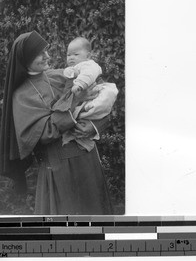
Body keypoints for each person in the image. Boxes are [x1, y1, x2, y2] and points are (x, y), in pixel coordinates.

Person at [0, 30, 113, 215]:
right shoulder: (21, 96)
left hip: (89, 161)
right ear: (26, 58)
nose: (48, 56)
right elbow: (43, 134)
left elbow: (101, 100)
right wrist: (75, 101)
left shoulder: (61, 75)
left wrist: (94, 127)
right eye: (40, 53)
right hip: (59, 170)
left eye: (47, 51)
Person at [57, 37, 118, 151]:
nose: (71, 58)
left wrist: (79, 84)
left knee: (106, 96)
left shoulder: (88, 65)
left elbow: (88, 75)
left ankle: (87, 113)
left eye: (75, 54)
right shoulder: (71, 69)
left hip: (89, 93)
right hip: (77, 106)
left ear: (88, 56)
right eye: (68, 55)